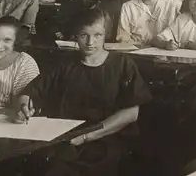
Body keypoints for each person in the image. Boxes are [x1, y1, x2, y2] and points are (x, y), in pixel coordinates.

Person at [13, 9, 151, 176]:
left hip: (106, 136)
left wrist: (88, 136)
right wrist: (23, 106)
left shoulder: (122, 64)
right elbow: (30, 92)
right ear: (75, 35)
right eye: (83, 35)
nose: (90, 42)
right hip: (65, 136)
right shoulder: (63, 63)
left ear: (105, 34)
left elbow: (131, 113)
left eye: (97, 35)